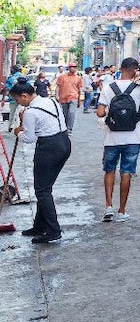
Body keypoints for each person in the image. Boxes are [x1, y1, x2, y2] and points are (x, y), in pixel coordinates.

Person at [11, 77, 71, 244]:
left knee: (42, 190)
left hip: (49, 147)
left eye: (17, 99)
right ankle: (39, 225)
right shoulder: (50, 101)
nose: (18, 103)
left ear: (24, 95)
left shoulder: (30, 112)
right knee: (44, 188)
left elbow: (29, 139)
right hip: (64, 143)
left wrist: (18, 132)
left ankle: (53, 230)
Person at [96, 57, 140, 223]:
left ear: (120, 69)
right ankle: (122, 211)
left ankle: (108, 207)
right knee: (126, 173)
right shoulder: (139, 88)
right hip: (133, 137)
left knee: (109, 171)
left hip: (111, 138)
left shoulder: (109, 87)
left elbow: (100, 112)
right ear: (135, 70)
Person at [54, 63, 83, 133]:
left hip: (73, 97)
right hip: (63, 98)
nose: (74, 68)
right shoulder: (62, 77)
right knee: (65, 114)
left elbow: (79, 89)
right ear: (69, 68)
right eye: (72, 67)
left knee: (71, 113)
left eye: (75, 67)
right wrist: (57, 95)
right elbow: (58, 87)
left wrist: (79, 100)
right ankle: (64, 127)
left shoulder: (78, 78)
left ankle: (69, 129)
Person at [6, 64, 24, 131]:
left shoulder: (11, 77)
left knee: (12, 112)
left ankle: (10, 125)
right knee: (19, 112)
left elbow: (7, 88)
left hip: (12, 97)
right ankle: (17, 126)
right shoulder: (24, 77)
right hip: (22, 97)